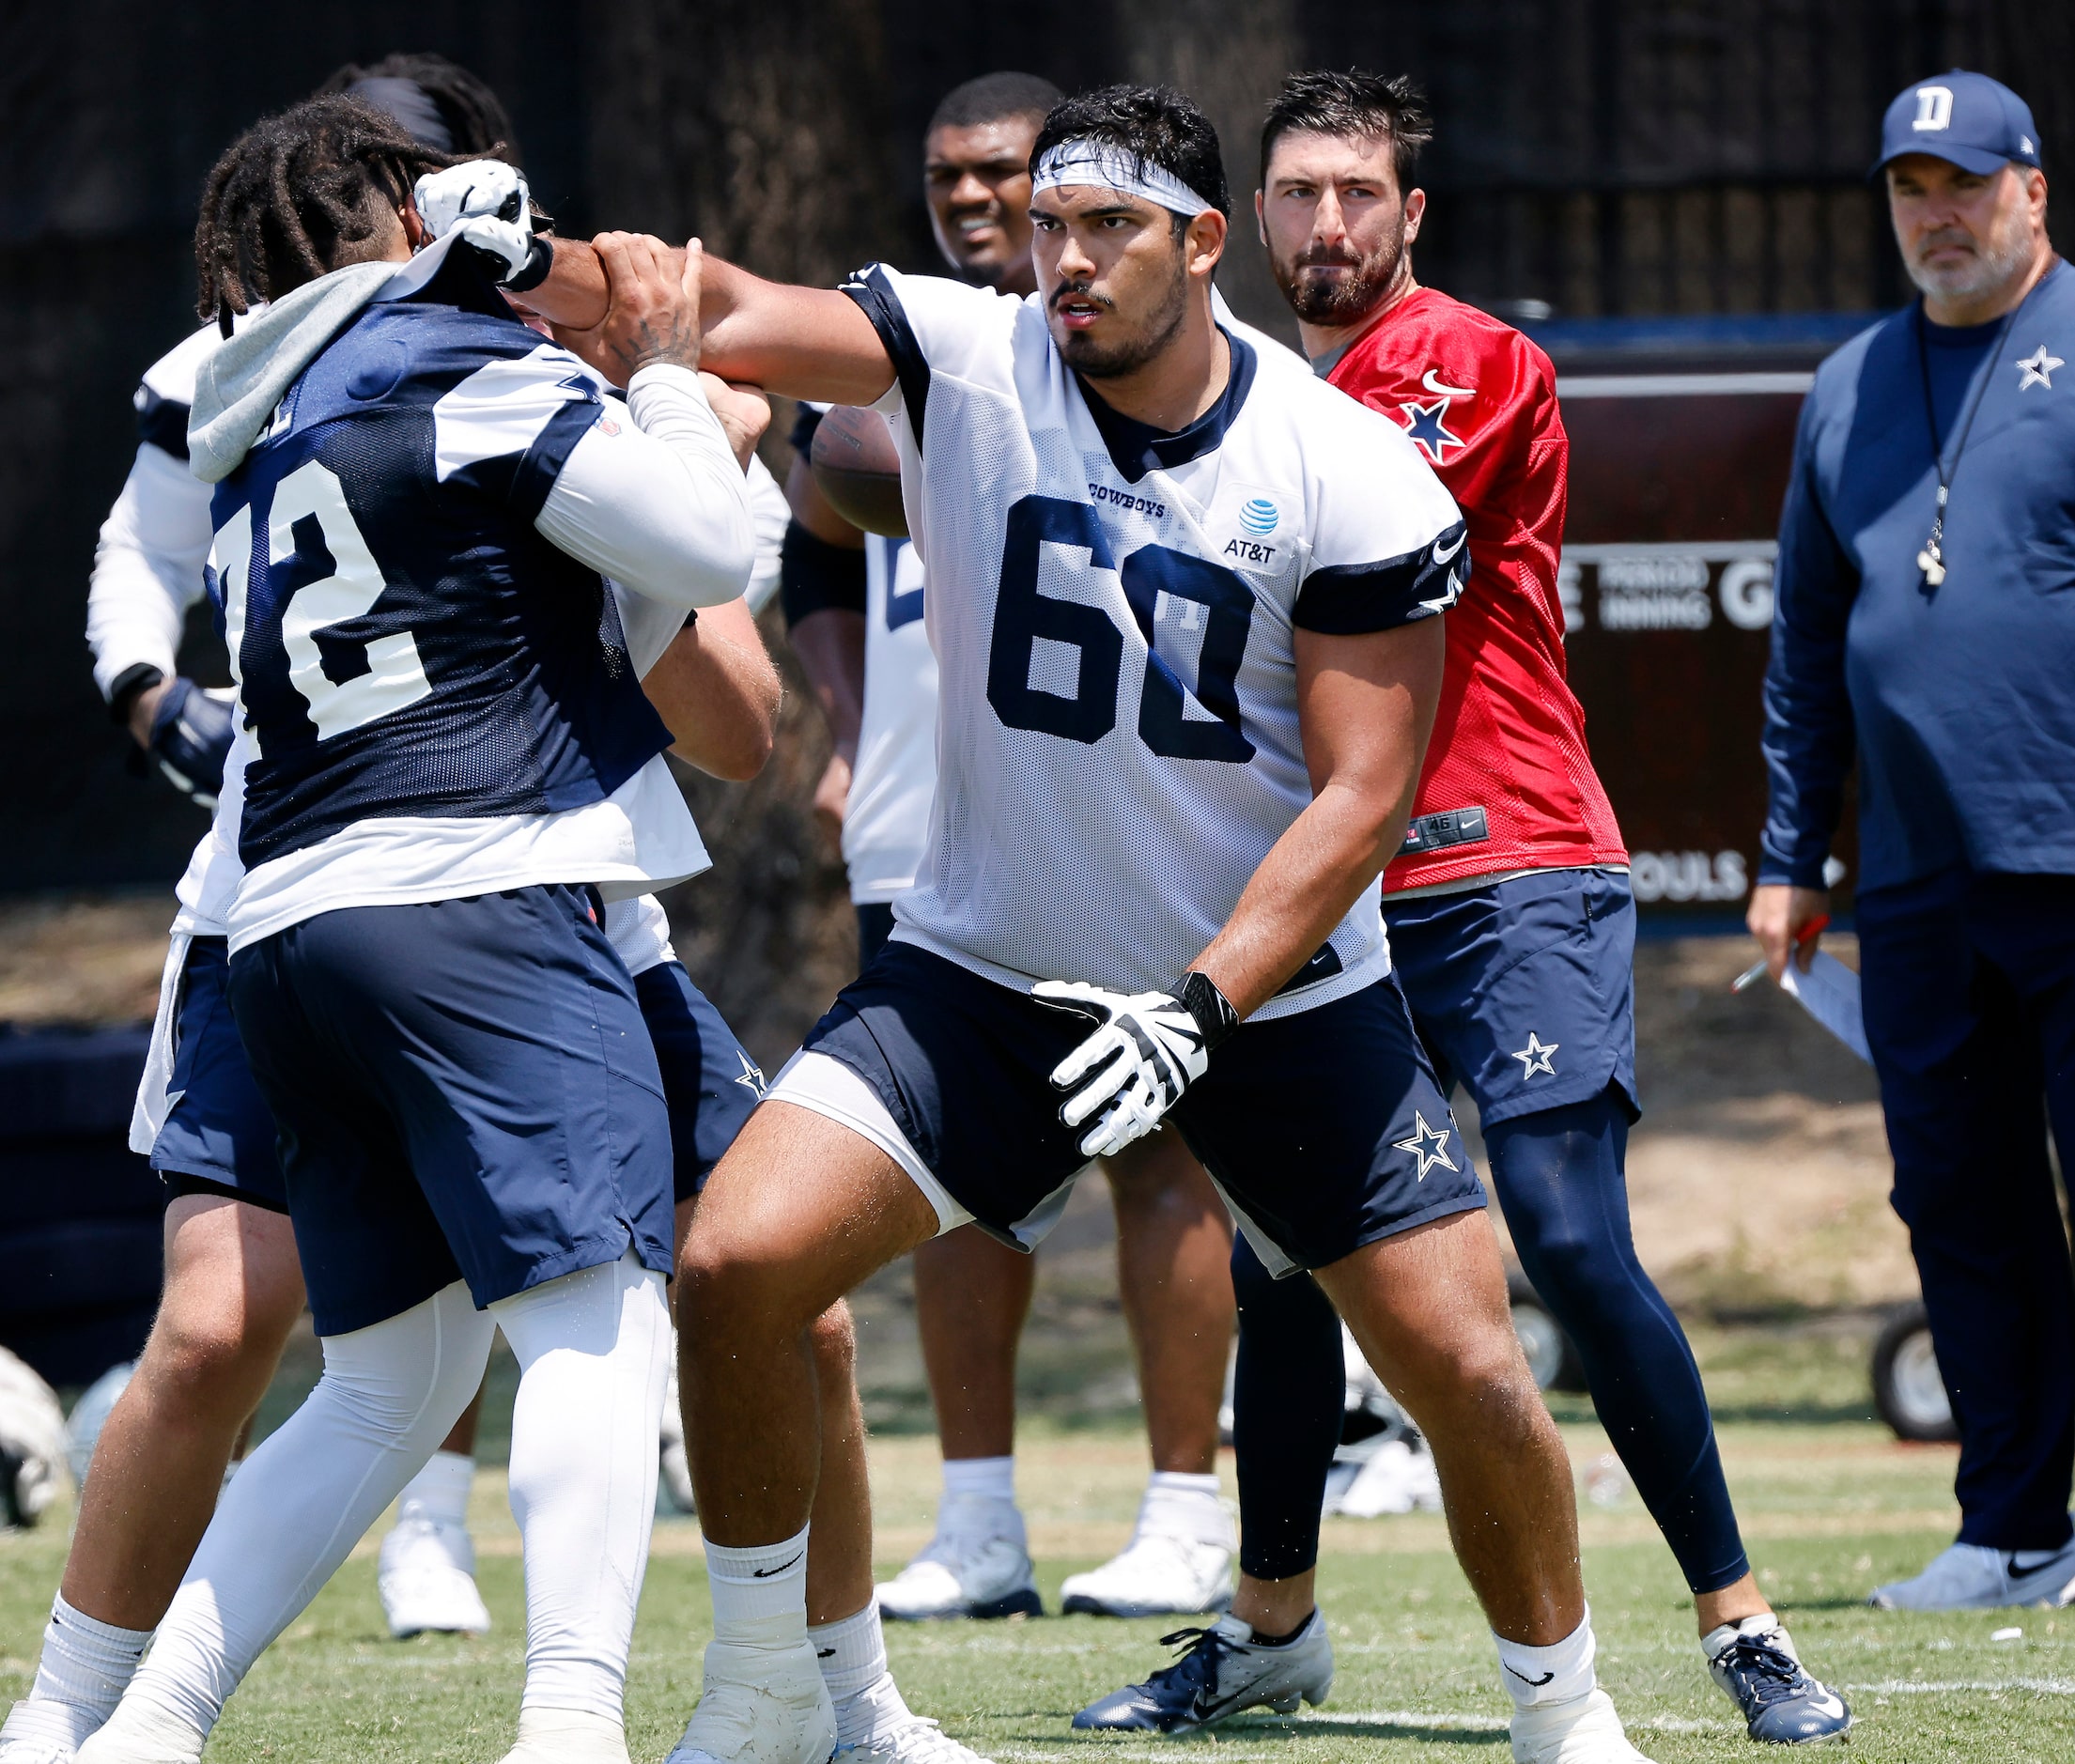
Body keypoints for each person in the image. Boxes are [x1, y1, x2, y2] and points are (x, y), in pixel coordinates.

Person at [528, 79, 1650, 1764]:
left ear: (1205, 243)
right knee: (740, 1263)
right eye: (1047, 224)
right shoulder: (972, 355)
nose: (1063, 260)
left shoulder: (1341, 466)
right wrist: (513, 259)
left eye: (1107, 226)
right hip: (987, 971)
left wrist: (1203, 1002)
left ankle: (1566, 1722)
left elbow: (1362, 793)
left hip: (1270, 1005)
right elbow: (711, 306)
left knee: (1471, 1369)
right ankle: (778, 1690)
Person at [1074, 70, 1851, 1750]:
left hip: (1505, 859)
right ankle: (1269, 1626)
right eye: (1297, 193)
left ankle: (1739, 1619)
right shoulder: (1223, 388)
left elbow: (1346, 518)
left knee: (1565, 1240)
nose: (1329, 223)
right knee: (1285, 1262)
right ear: (1243, 220)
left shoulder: (1461, 367)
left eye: (1360, 192)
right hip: (1313, 891)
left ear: (1411, 216)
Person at [69, 96, 760, 1764]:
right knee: (599, 1316)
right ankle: (570, 1725)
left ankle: (145, 1725)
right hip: (477, 890)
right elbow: (708, 544)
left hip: (293, 933)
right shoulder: (463, 370)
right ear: (401, 226)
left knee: (384, 1385)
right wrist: (665, 375)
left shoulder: (271, 408)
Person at [21, 66, 517, 1725]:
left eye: (411, 179)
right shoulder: (218, 369)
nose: (373, 217)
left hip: (500, 880)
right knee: (223, 1319)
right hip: (270, 894)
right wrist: (151, 690)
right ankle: (68, 1704)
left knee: (686, 1275)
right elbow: (135, 546)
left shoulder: (535, 346)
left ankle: (527, 1593)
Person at [781, 69, 1239, 1626]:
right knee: (950, 1175)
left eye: (1008, 178)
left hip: (1125, 828)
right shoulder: (907, 339)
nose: (975, 204)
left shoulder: (1139, 354)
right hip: (932, 823)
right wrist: (840, 730)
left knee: (1160, 1152)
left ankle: (1185, 1509)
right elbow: (814, 542)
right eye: (951, 180)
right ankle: (978, 1520)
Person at [1749, 68, 2075, 1614]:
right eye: (1906, 189)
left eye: (1961, 183)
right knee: (1960, 1202)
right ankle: (2012, 1526)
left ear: (2030, 190)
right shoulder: (1849, 384)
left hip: (2071, 857)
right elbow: (1807, 643)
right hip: (1921, 885)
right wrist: (1786, 853)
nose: (1934, 216)